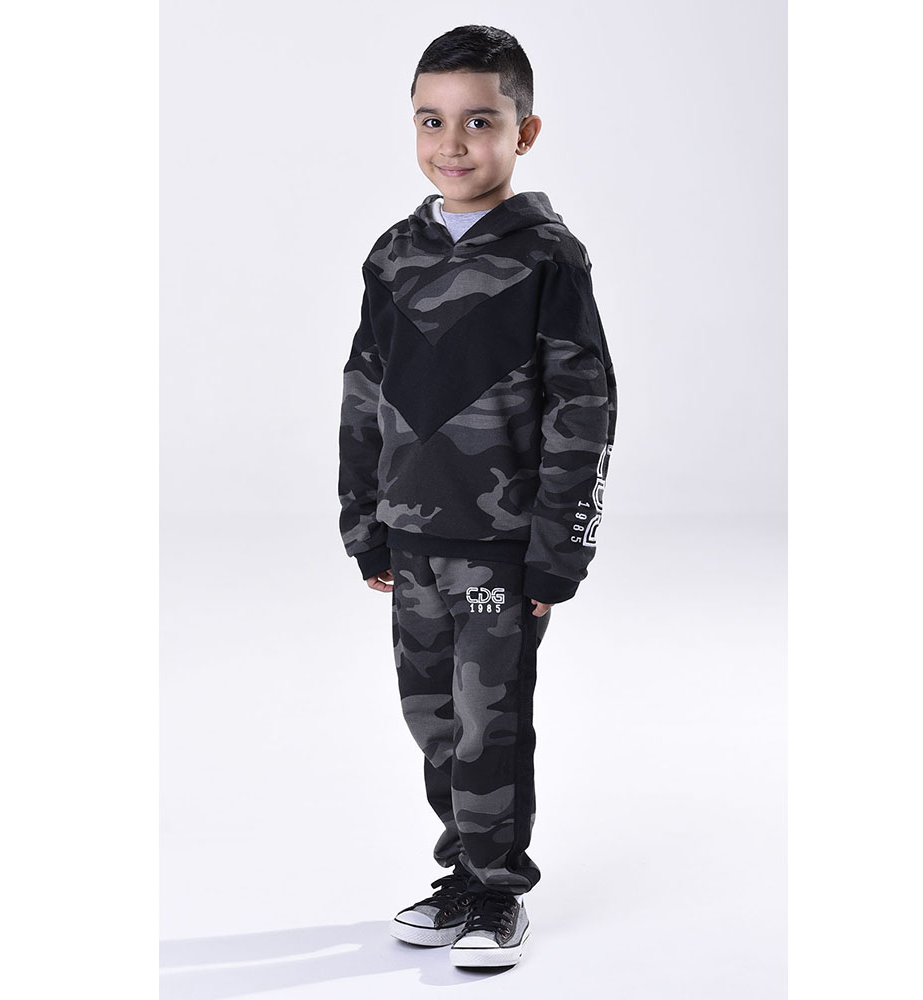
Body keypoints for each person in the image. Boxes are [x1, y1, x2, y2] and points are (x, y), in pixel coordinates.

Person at [337, 24, 617, 969]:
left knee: (489, 720)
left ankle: (497, 891)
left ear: (523, 132)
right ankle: (459, 870)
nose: (451, 143)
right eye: (432, 120)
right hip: (410, 536)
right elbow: (364, 389)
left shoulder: (548, 259)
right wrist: (364, 521)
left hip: (500, 545)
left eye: (479, 121)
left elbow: (586, 407)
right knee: (433, 719)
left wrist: (558, 550)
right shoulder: (394, 255)